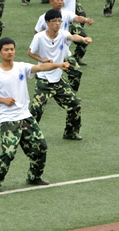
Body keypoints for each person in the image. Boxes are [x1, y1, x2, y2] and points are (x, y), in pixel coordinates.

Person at [0, 37, 69, 193]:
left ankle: (34, 177)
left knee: (41, 147)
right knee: (8, 152)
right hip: (8, 120)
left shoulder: (21, 67)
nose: (10, 52)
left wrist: (58, 65)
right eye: (6, 50)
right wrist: (3, 100)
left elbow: (41, 68)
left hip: (26, 116)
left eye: (12, 49)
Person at [28, 9, 92, 141]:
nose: (57, 23)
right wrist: (42, 60)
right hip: (43, 81)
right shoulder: (39, 37)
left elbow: (73, 37)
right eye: (54, 21)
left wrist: (84, 39)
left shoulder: (63, 34)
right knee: (36, 109)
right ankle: (29, 135)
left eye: (59, 21)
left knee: (75, 105)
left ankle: (71, 132)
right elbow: (30, 52)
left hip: (58, 80)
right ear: (47, 22)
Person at [34, 0, 93, 92]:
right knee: (45, 76)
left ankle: (71, 94)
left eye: (61, 0)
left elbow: (77, 19)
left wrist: (86, 20)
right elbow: (37, 33)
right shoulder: (43, 18)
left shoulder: (67, 14)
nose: (60, 2)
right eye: (57, 0)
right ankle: (42, 91)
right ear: (51, 1)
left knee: (76, 72)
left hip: (64, 51)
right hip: (49, 53)